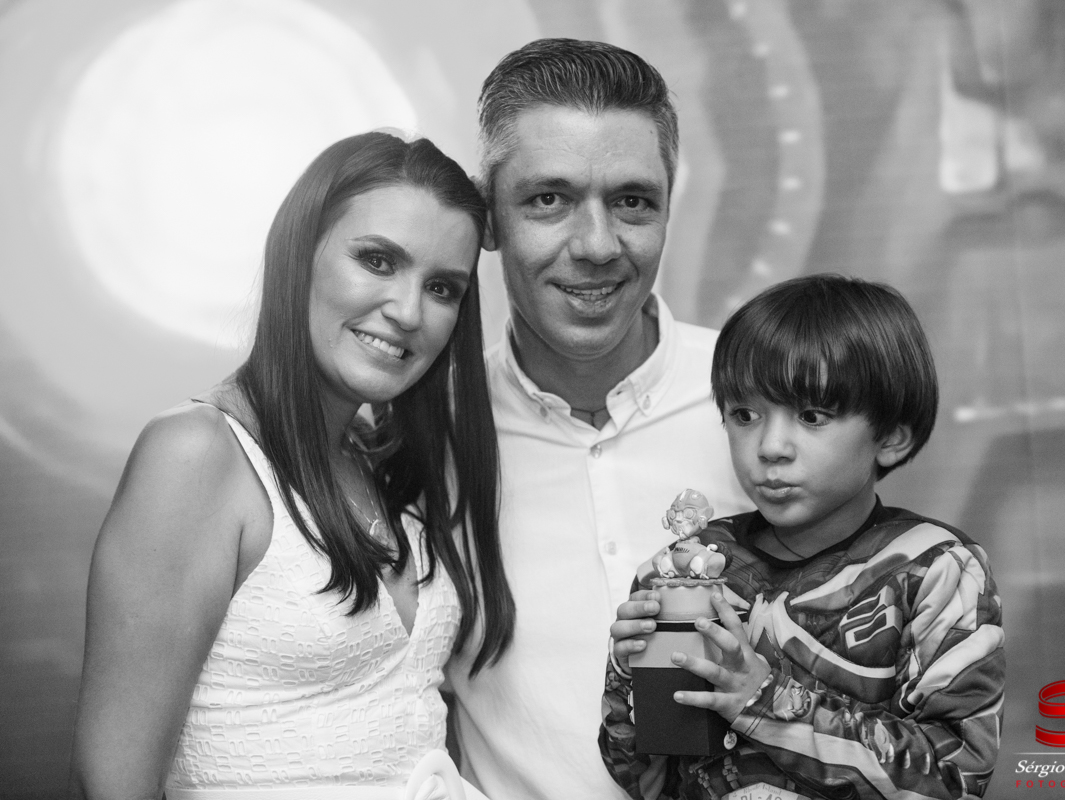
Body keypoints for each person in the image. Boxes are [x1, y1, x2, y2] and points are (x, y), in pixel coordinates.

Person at [69, 131, 513, 799]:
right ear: (298, 254)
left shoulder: (375, 462)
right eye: (377, 260)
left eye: (442, 288)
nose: (408, 311)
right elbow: (113, 783)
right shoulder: (197, 454)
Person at [442, 38, 752, 800]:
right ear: (488, 217)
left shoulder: (765, 406)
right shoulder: (425, 443)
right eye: (548, 199)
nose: (597, 245)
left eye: (632, 201)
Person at [603, 274, 1005, 799]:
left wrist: (767, 701)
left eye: (812, 416)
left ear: (891, 436)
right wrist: (630, 676)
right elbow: (642, 783)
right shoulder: (686, 567)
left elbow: (957, 779)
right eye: (745, 415)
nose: (770, 446)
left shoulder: (936, 569)